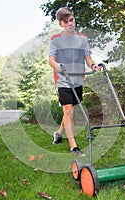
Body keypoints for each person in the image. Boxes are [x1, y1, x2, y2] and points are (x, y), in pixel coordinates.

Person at [49, 7, 101, 156]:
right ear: (61, 24)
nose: (70, 24)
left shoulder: (82, 39)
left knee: (70, 111)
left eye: (71, 20)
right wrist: (58, 66)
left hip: (78, 80)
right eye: (66, 22)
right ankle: (73, 146)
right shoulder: (55, 40)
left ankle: (58, 133)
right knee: (68, 110)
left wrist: (93, 66)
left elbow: (88, 58)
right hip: (63, 81)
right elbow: (51, 60)